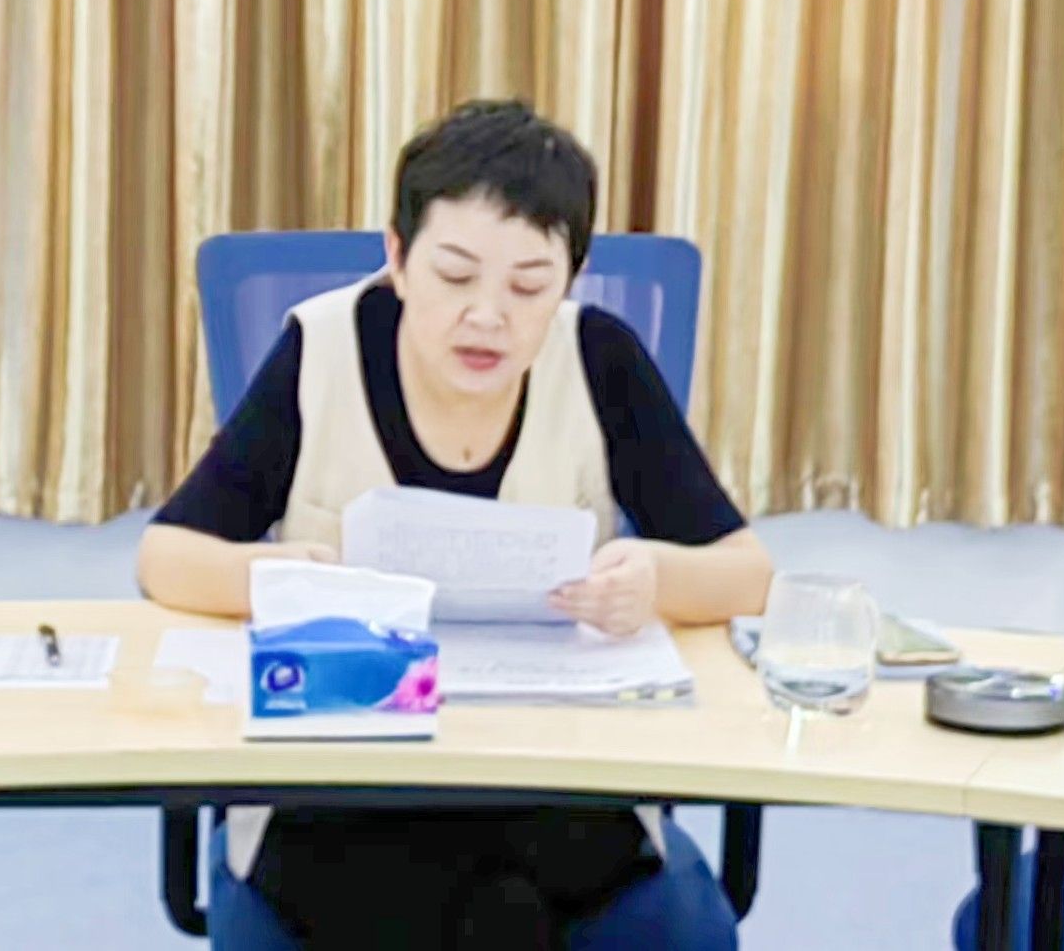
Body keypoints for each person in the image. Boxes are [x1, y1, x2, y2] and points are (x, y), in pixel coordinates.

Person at [138, 99, 774, 949]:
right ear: (399, 259)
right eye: (455, 275)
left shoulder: (600, 359)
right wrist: (283, 580)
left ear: (570, 279)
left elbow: (748, 573)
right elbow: (166, 556)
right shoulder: (320, 349)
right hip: (344, 793)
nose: (488, 316)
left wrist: (655, 581)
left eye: (529, 286)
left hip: (555, 783)